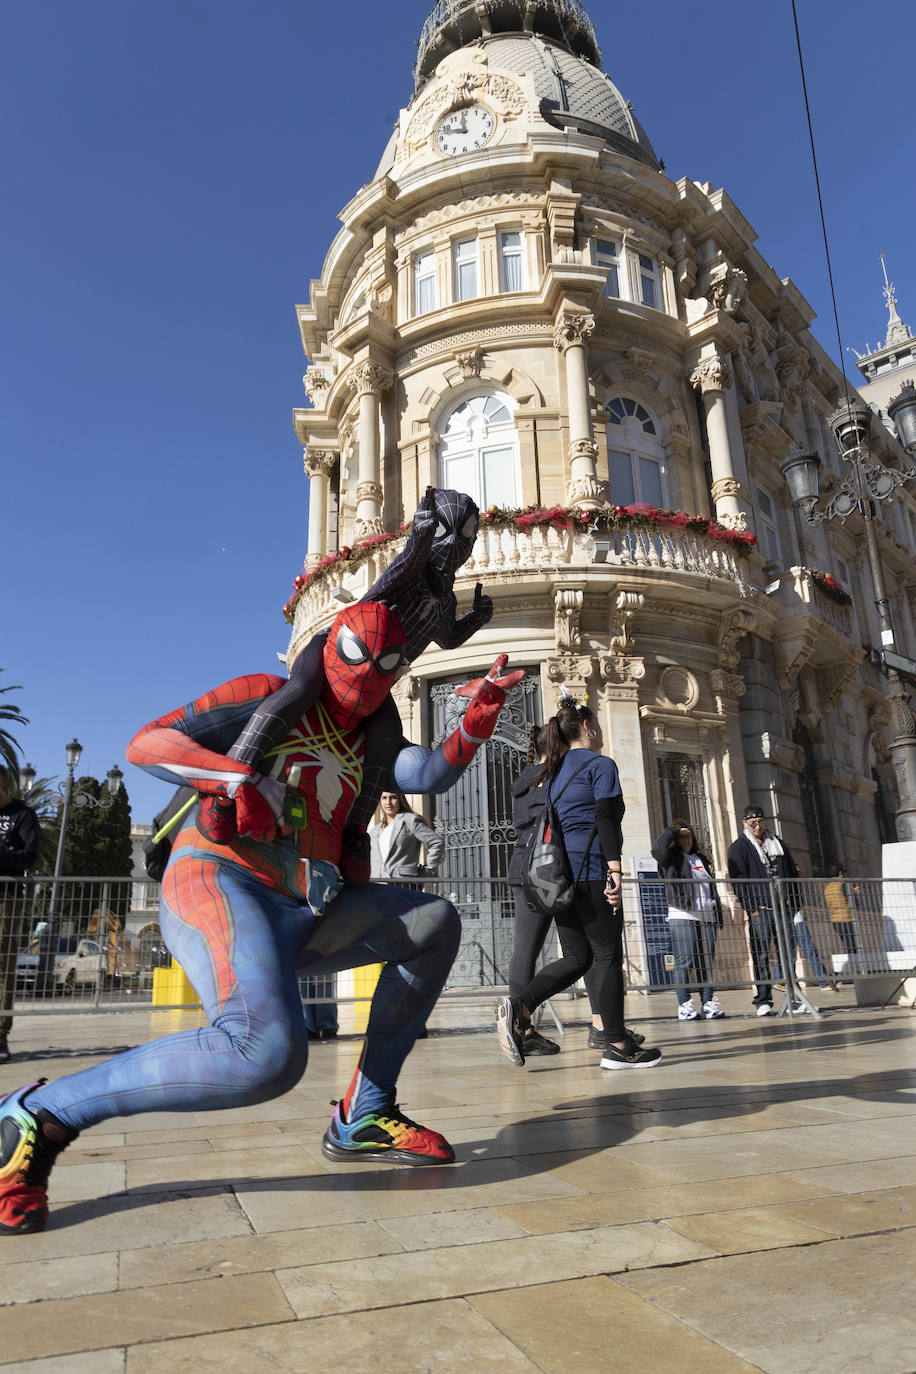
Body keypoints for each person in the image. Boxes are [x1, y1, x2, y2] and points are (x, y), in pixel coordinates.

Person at [0, 605, 523, 1234]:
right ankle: (39, 1113)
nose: (367, 677)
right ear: (332, 649)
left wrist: (477, 714)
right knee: (264, 1051)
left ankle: (366, 1109)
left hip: (306, 906)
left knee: (433, 921)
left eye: (386, 665)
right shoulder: (265, 697)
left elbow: (430, 770)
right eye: (358, 656)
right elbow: (148, 743)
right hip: (221, 880)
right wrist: (236, 775)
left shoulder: (373, 745)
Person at [496, 698, 661, 1070]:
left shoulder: (550, 773)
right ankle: (618, 1045)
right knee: (606, 955)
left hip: (561, 875)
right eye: (596, 723)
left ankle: (520, 1006)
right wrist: (615, 871)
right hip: (591, 869)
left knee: (577, 956)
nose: (599, 729)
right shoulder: (600, 764)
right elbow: (605, 818)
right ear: (586, 725)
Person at [727, 804, 801, 1016]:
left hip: (783, 907)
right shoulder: (739, 847)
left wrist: (795, 903)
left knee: (788, 953)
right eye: (753, 823)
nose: (757, 827)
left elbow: (792, 873)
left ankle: (793, 998)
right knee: (760, 954)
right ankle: (762, 1000)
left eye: (760, 822)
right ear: (745, 823)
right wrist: (751, 907)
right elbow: (738, 880)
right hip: (761, 908)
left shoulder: (777, 843)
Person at [651, 819, 724, 1021]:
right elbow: (657, 849)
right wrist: (673, 830)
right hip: (683, 913)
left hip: (706, 915)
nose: (687, 839)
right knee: (684, 961)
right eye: (682, 836)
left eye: (689, 835)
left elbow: (711, 887)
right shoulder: (671, 858)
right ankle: (684, 1005)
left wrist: (718, 913)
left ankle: (708, 1003)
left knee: (705, 963)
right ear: (675, 838)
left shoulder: (701, 858)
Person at [0, 769, 41, 1065]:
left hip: (6, 897)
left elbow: (30, 856)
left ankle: (1, 1036)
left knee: (3, 966)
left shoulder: (22, 815)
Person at [369, 792, 445, 882]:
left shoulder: (410, 820)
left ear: (400, 800)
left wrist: (429, 869)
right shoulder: (374, 831)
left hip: (403, 882)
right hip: (377, 883)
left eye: (393, 797)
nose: (388, 802)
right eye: (384, 798)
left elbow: (436, 842)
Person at [825, 865, 859, 962]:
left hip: (835, 920)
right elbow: (853, 903)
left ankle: (852, 968)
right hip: (846, 918)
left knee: (848, 944)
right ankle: (854, 969)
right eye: (844, 873)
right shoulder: (842, 884)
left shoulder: (828, 887)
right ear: (840, 873)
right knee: (852, 945)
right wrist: (855, 893)